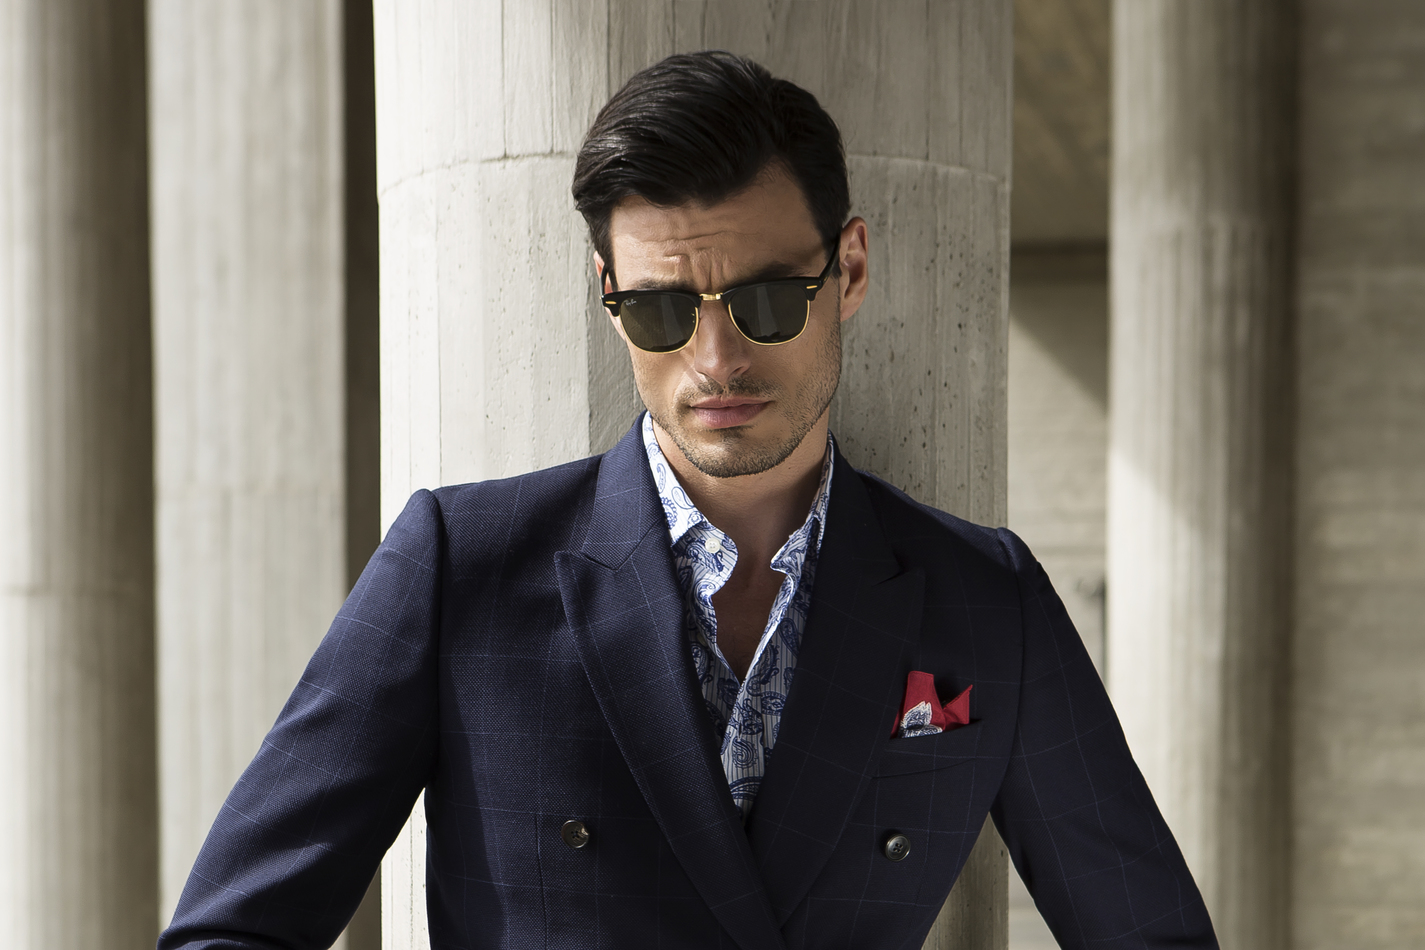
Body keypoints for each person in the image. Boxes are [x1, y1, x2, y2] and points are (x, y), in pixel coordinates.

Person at [160, 51, 1217, 950]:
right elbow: (233, 929)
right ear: (608, 296)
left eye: (766, 300)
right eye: (662, 310)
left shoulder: (983, 599)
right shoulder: (462, 567)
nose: (716, 360)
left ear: (849, 269)